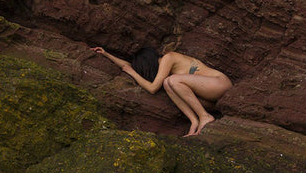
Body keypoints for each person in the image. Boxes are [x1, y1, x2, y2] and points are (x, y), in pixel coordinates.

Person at [92, 45, 232, 136]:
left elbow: (152, 88)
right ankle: (194, 122)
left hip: (219, 84)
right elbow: (128, 66)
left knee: (172, 80)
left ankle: (205, 117)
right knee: (168, 83)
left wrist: (133, 74)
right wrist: (107, 54)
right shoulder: (164, 68)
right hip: (209, 98)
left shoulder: (168, 58)